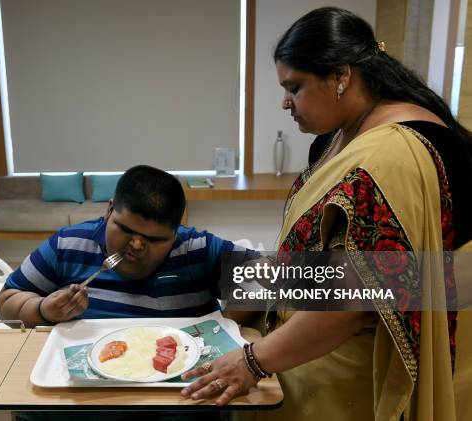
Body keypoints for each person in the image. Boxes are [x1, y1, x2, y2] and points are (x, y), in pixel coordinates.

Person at [180, 7, 472, 420]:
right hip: (310, 341)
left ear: (341, 76)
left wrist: (252, 361)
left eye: (294, 86)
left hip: (354, 369)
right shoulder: (339, 137)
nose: (285, 102)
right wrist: (261, 279)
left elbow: (353, 300)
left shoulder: (393, 154)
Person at [0, 164, 257, 326]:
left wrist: (224, 328)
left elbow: (277, 279)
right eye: (126, 230)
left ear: (176, 231)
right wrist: (43, 310)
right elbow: (7, 301)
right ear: (109, 210)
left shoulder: (196, 250)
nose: (136, 245)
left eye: (154, 239)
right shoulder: (68, 244)